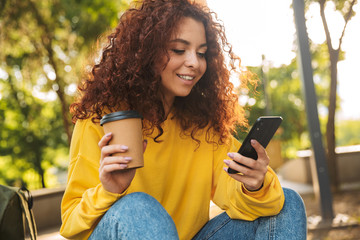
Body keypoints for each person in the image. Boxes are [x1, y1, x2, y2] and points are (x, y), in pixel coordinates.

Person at [60, 0, 307, 239]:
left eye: (201, 53)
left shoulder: (203, 125)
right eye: (179, 50)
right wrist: (109, 191)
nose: (194, 63)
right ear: (145, 52)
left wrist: (254, 185)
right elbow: (71, 223)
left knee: (288, 203)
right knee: (138, 206)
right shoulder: (101, 118)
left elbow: (237, 194)